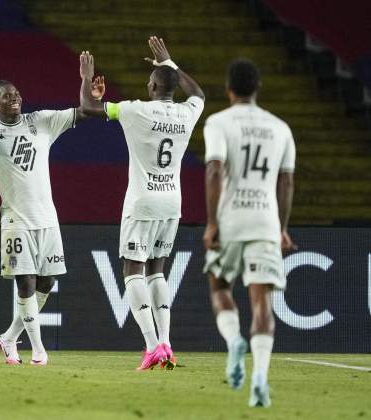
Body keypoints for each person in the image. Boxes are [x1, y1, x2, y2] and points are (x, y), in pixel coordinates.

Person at [79, 37, 205, 370]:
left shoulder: (136, 109)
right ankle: (166, 342)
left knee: (133, 269)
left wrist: (86, 79)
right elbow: (200, 95)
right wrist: (170, 63)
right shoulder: (186, 112)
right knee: (158, 270)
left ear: (151, 85)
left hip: (143, 201)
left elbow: (89, 110)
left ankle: (152, 347)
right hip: (172, 202)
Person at [0, 76, 104, 365]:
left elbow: (84, 112)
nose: (14, 97)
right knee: (25, 283)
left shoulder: (42, 120)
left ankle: (10, 337)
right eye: (6, 95)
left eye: (16, 92)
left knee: (46, 282)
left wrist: (89, 88)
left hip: (47, 218)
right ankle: (38, 350)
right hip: (15, 219)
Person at [202, 58, 296, 407]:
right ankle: (260, 378)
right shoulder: (280, 128)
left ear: (228, 89)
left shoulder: (218, 123)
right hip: (265, 222)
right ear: (258, 88)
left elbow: (214, 171)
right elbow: (286, 181)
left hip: (231, 220)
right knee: (262, 304)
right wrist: (283, 228)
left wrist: (212, 223)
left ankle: (233, 342)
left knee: (219, 285)